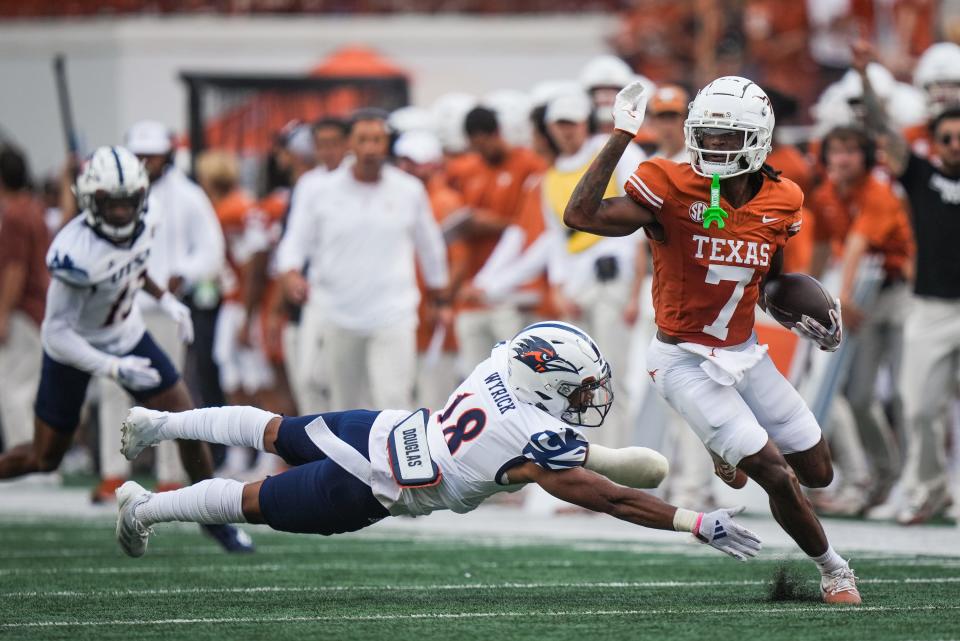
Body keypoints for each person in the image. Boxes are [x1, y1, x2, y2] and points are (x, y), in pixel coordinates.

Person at [114, 320, 762, 566]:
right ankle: (143, 507)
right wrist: (692, 520)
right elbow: (611, 496)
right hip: (370, 484)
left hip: (379, 426)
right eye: (578, 389)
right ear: (548, 383)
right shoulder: (531, 439)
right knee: (250, 499)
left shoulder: (501, 362)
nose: (584, 401)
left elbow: (591, 457)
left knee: (273, 428)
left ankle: (158, 423)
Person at [563, 77, 860, 605]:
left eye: (729, 137)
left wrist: (806, 315)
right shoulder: (669, 184)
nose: (716, 146)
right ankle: (834, 569)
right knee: (774, 473)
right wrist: (620, 135)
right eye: (708, 135)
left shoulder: (784, 197)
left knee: (817, 473)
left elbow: (770, 279)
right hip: (683, 361)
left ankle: (730, 450)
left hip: (746, 354)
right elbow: (580, 216)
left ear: (760, 138)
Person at [0, 146, 251, 552]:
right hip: (76, 345)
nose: (119, 212)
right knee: (44, 458)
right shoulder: (72, 252)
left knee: (188, 422)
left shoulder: (147, 219)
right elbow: (56, 333)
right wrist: (112, 368)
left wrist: (166, 300)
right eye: (109, 202)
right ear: (88, 199)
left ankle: (213, 517)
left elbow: (134, 263)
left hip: (127, 332)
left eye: (127, 201)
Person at [276, 109, 450, 411]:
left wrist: (441, 298)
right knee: (344, 405)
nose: (371, 148)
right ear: (349, 145)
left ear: (387, 145)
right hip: (337, 312)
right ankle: (349, 461)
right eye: (363, 140)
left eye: (378, 140)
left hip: (393, 313)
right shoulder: (318, 190)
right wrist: (290, 272)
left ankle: (393, 459)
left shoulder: (409, 189)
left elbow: (430, 247)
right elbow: (295, 240)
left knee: (394, 400)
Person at [856, 42, 960, 525]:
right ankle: (930, 487)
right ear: (935, 144)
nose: (956, 145)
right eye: (948, 139)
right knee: (918, 407)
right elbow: (881, 129)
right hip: (930, 307)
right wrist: (864, 77)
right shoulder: (920, 175)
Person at [808, 125, 914, 515]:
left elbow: (856, 243)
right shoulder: (824, 196)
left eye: (851, 150)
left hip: (901, 293)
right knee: (857, 397)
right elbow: (821, 248)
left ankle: (913, 482)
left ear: (866, 156)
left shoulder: (878, 192)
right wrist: (804, 292)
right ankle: (885, 475)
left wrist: (843, 296)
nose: (842, 158)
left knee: (906, 395)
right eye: (836, 150)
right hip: (864, 299)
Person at [0, 146, 48, 456]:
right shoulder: (34, 209)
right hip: (37, 311)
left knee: (15, 390)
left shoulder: (14, 215)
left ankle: (24, 459)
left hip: (21, 312)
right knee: (31, 390)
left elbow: (15, 268)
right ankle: (37, 456)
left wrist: (3, 313)